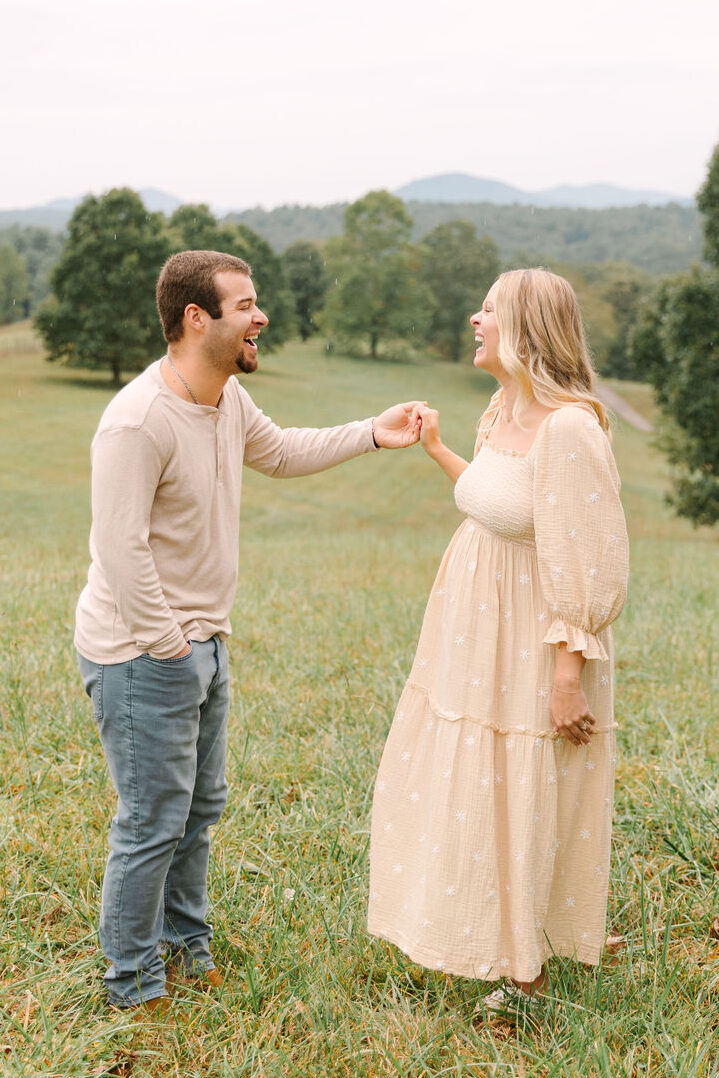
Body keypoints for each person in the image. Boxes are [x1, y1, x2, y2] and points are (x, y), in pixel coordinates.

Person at [76, 249, 422, 1010]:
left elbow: (281, 451)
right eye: (245, 306)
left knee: (199, 810)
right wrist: (170, 646)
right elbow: (119, 548)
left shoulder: (226, 400)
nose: (260, 316)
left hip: (202, 642)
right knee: (150, 822)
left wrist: (372, 431)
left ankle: (185, 944)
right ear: (196, 319)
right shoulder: (136, 421)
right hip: (142, 652)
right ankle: (132, 981)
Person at [368, 268, 629, 1010]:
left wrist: (566, 675)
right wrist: (439, 451)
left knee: (525, 782)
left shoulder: (571, 427)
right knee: (475, 780)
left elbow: (586, 562)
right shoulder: (501, 409)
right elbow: (500, 502)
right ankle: (484, 932)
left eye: (488, 310)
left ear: (523, 329)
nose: (473, 319)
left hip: (535, 638)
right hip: (470, 628)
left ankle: (526, 974)